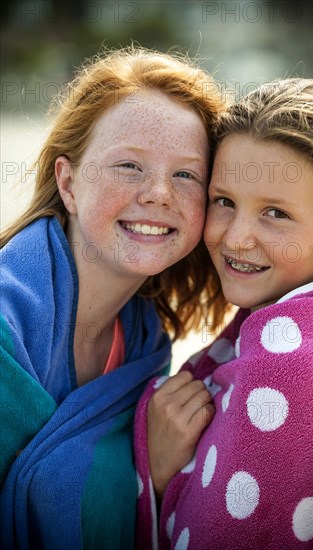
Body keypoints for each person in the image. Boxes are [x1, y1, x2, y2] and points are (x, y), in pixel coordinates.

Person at [0, 45, 230, 550]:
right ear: (69, 183)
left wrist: (158, 467)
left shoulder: (148, 345)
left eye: (186, 174)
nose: (158, 194)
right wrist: (146, 465)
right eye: (129, 165)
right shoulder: (3, 323)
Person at [134, 77, 313, 549]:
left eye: (275, 213)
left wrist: (158, 473)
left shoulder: (288, 362)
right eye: (225, 202)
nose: (236, 238)